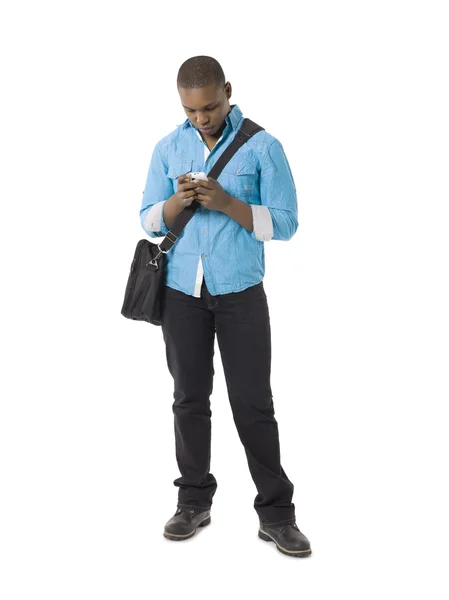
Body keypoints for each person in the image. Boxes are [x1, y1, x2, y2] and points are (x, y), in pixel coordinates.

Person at [139, 56, 311, 558]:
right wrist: (177, 203)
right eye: (191, 111)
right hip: (181, 292)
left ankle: (277, 514)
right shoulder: (168, 147)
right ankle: (193, 500)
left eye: (210, 107)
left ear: (228, 91)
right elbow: (149, 218)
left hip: (240, 291)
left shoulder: (264, 146)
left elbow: (286, 223)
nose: (202, 118)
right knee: (188, 398)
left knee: (254, 403)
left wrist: (227, 203)